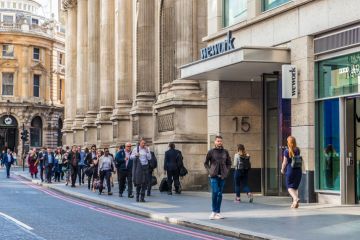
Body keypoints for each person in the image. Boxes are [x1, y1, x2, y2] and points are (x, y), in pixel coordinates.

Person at [204, 135, 231, 220]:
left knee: (220, 194)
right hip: (214, 176)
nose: (219, 142)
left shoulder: (225, 152)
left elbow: (229, 163)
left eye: (220, 141)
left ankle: (218, 212)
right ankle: (213, 211)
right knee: (215, 192)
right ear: (215, 142)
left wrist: (227, 171)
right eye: (218, 141)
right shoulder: (211, 152)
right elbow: (205, 163)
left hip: (222, 176)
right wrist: (210, 171)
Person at [281, 136, 302, 208]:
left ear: (288, 142)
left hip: (290, 170)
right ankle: (295, 203)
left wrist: (282, 169)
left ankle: (296, 198)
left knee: (289, 187)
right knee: (295, 187)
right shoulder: (298, 150)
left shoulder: (286, 151)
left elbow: (284, 162)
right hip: (298, 170)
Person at [131, 138, 151, 202]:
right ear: (139, 143)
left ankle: (142, 197)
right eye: (142, 143)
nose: (144, 144)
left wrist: (147, 151)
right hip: (139, 167)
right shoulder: (135, 149)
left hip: (145, 167)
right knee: (139, 182)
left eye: (144, 143)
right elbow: (131, 157)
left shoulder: (147, 149)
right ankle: (137, 196)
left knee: (144, 183)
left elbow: (149, 158)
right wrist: (135, 155)